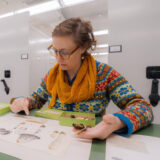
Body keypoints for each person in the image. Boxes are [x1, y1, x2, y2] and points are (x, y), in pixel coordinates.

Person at [10, 18, 153, 140]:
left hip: (87, 138)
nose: (58, 58)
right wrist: (24, 102)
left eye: (65, 52)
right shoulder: (52, 76)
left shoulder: (104, 74)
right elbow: (37, 99)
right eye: (55, 51)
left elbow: (143, 107)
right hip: (53, 135)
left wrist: (118, 121)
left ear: (83, 47)